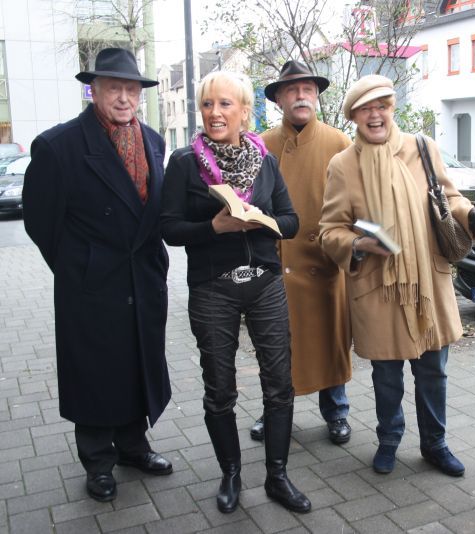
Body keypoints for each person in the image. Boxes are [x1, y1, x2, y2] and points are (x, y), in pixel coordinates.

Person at [319, 75, 475, 477]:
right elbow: (330, 230)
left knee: (434, 371)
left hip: (428, 282)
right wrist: (359, 245)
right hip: (378, 287)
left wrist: (471, 216)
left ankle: (435, 444)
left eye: (382, 105)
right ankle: (389, 441)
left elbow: (449, 197)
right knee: (387, 376)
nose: (375, 114)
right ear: (354, 117)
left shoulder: (422, 149)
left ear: (392, 108)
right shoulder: (343, 166)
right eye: (366, 108)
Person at [22, 47, 173, 503]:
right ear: (94, 90)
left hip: (141, 279)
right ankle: (98, 460)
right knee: (94, 371)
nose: (125, 97)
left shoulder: (153, 140)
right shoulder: (58, 145)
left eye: (131, 89)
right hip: (91, 284)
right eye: (114, 88)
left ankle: (132, 447)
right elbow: (39, 221)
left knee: (136, 364)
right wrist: (79, 266)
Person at [160, 71, 310, 515]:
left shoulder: (266, 161)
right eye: (208, 104)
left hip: (265, 283)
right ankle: (231, 474)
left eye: (225, 104)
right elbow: (168, 229)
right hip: (213, 288)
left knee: (279, 384)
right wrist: (215, 226)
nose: (215, 112)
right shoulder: (185, 163)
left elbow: (291, 221)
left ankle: (278, 477)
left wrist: (262, 220)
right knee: (219, 388)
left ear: (245, 111)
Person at [249, 60, 353, 445]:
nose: (301, 96)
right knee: (275, 346)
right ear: (278, 99)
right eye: (292, 90)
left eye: (308, 89)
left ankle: (337, 412)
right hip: (275, 268)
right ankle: (274, 412)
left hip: (323, 265)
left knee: (330, 341)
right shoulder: (261, 145)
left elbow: (356, 205)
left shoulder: (339, 143)